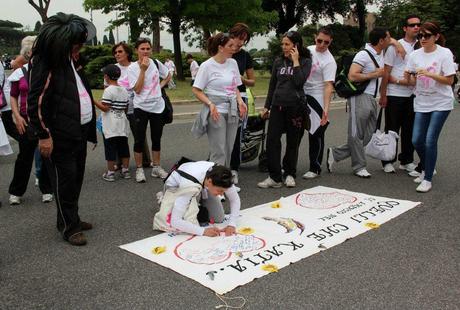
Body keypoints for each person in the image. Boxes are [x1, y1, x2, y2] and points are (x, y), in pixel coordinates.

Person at [27, 13, 98, 246]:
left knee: (75, 179)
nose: (79, 47)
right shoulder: (45, 63)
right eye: (76, 43)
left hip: (78, 130)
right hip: (59, 135)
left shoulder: (69, 59)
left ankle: (71, 218)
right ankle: (69, 228)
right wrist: (44, 135)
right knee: (64, 181)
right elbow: (35, 102)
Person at [327, 28, 391, 178]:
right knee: (356, 134)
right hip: (360, 97)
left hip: (372, 99)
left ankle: (336, 153)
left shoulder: (380, 53)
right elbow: (352, 75)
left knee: (369, 136)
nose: (390, 40)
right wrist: (375, 74)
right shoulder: (364, 54)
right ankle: (359, 167)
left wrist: (382, 95)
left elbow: (395, 43)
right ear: (381, 41)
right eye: (388, 38)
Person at [404, 21, 456, 192]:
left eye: (427, 36)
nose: (423, 39)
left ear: (436, 37)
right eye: (420, 36)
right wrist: (409, 77)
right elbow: (410, 82)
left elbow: (449, 80)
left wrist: (430, 74)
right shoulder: (414, 55)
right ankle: (429, 165)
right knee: (416, 139)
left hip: (441, 102)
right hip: (422, 101)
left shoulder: (444, 53)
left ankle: (427, 178)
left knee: (430, 139)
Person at [257, 30, 312, 188]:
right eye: (283, 44)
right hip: (277, 106)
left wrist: (295, 62)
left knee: (293, 142)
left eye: (287, 44)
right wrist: (267, 106)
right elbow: (272, 85)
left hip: (295, 107)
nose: (284, 47)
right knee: (272, 140)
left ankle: (289, 173)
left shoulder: (306, 61)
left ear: (296, 45)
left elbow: (299, 82)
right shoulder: (278, 61)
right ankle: (275, 177)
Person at [7, 35, 54, 205]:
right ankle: (16, 191)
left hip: (43, 118)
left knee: (46, 155)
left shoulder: (47, 69)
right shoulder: (19, 73)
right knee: (24, 156)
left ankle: (47, 189)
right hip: (25, 120)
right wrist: (17, 115)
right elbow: (13, 96)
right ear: (28, 53)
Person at [191, 32, 247, 168]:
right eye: (230, 45)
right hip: (216, 110)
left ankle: (225, 180)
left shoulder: (233, 63)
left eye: (234, 45)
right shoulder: (206, 66)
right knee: (219, 150)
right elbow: (196, 90)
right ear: (221, 48)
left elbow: (235, 87)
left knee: (229, 148)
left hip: (232, 109)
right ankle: (216, 183)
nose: (234, 48)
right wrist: (210, 104)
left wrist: (240, 102)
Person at [379, 15, 421, 174]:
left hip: (413, 95)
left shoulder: (421, 46)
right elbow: (386, 72)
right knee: (392, 129)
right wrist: (383, 95)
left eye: (418, 25)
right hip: (395, 94)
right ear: (405, 28)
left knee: (409, 129)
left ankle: (407, 160)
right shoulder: (394, 47)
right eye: (412, 25)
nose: (416, 28)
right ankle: (388, 160)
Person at [153, 162, 240, 237]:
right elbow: (175, 221)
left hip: (201, 185)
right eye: (220, 191)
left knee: (219, 218)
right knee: (187, 221)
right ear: (210, 181)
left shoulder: (222, 176)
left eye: (223, 191)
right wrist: (203, 231)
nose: (221, 194)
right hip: (178, 188)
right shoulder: (189, 185)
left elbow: (235, 199)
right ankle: (164, 198)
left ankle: (199, 200)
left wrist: (232, 224)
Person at [127, 37, 171, 183]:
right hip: (141, 107)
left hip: (157, 107)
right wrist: (143, 70)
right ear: (136, 50)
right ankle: (139, 169)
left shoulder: (156, 63)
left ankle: (156, 167)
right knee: (139, 139)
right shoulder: (132, 68)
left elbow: (168, 74)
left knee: (156, 138)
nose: (145, 51)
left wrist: (161, 85)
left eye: (148, 48)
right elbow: (137, 89)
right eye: (142, 49)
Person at [301, 26, 337, 179]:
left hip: (317, 96)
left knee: (316, 133)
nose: (322, 45)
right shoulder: (308, 50)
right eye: (319, 40)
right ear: (315, 37)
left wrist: (326, 110)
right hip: (300, 92)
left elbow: (329, 86)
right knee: (294, 130)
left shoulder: (329, 61)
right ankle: (288, 166)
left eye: (326, 43)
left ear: (330, 42)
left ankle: (315, 167)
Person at [110, 42, 151, 168]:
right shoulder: (112, 68)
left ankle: (145, 160)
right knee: (118, 135)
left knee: (139, 134)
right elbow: (107, 88)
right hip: (118, 108)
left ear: (127, 53)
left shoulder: (136, 66)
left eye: (120, 51)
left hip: (135, 106)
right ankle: (119, 161)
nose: (117, 54)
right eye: (115, 52)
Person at [228, 23, 256, 185]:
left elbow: (252, 81)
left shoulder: (245, 56)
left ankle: (234, 169)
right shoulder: (223, 51)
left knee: (237, 135)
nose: (240, 42)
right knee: (220, 134)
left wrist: (242, 79)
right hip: (223, 96)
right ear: (232, 35)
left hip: (241, 96)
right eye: (239, 38)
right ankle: (217, 165)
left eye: (244, 40)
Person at [95, 64, 130, 181]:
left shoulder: (108, 90)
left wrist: (93, 100)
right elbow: (126, 107)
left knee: (110, 147)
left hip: (110, 123)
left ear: (106, 76)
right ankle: (125, 171)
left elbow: (105, 108)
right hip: (122, 122)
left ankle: (110, 173)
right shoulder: (124, 90)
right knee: (123, 147)